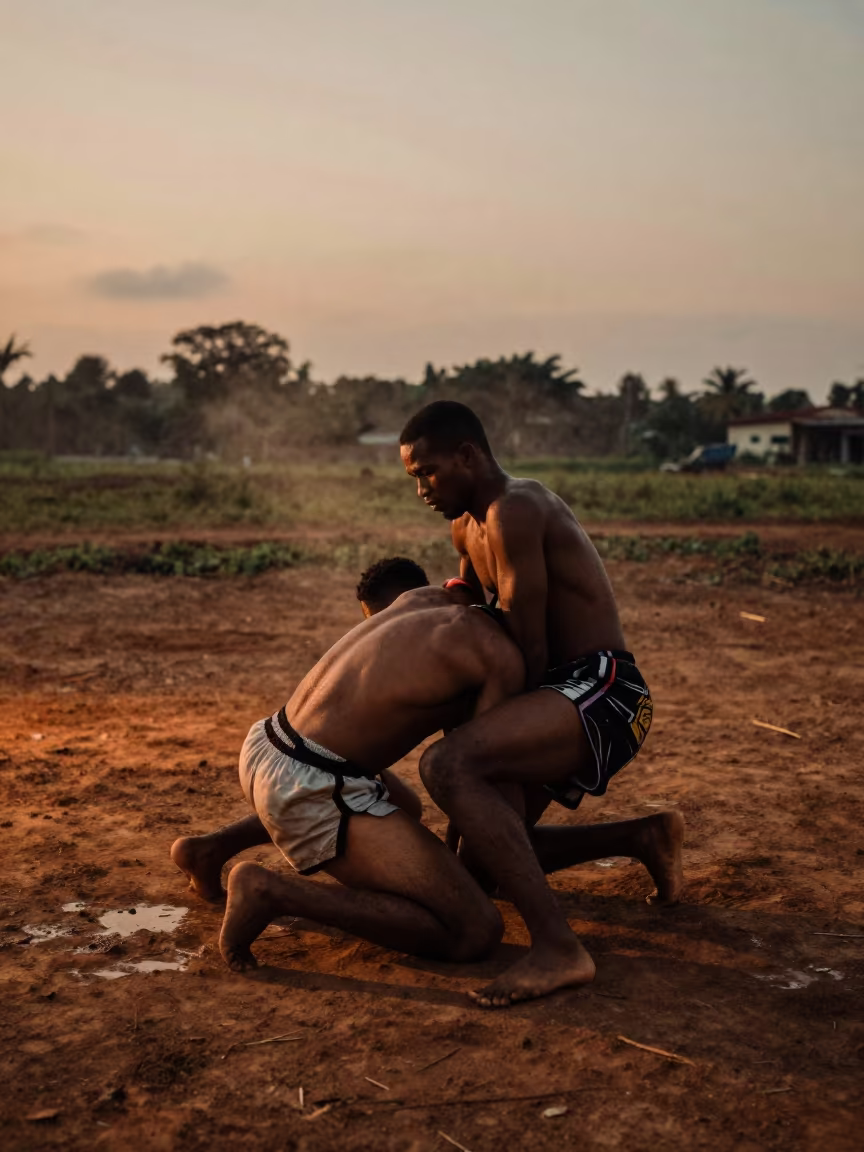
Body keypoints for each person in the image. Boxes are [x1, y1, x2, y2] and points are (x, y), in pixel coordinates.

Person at [399, 401, 684, 1007]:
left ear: (468, 456)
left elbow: (525, 644)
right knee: (479, 862)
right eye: (413, 478)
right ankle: (643, 838)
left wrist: (479, 750)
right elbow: (479, 633)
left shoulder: (515, 509)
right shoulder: (464, 528)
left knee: (449, 767)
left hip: (603, 689)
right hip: (552, 694)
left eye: (428, 472)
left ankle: (558, 948)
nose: (421, 488)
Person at [172, 557, 526, 973]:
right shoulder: (491, 653)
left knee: (404, 807)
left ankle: (212, 848)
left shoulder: (426, 599)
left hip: (267, 743)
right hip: (313, 786)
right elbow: (473, 781)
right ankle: (269, 891)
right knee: (473, 928)